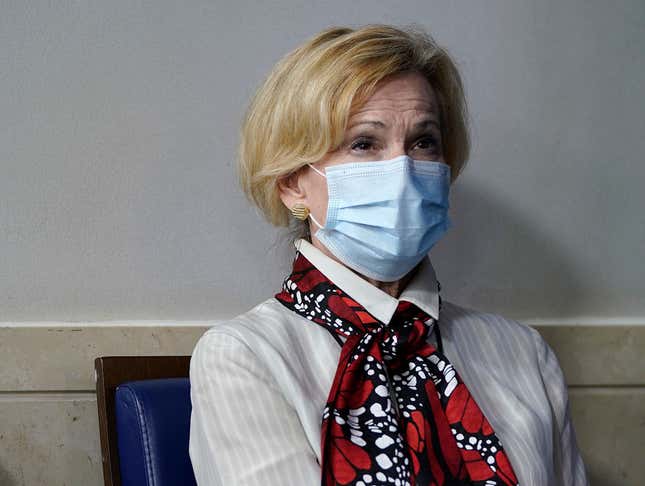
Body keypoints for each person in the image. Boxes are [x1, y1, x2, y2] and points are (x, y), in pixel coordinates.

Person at [188, 24, 590, 486]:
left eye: (423, 141)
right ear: (292, 183)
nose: (403, 171)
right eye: (364, 143)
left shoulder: (524, 354)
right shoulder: (245, 356)